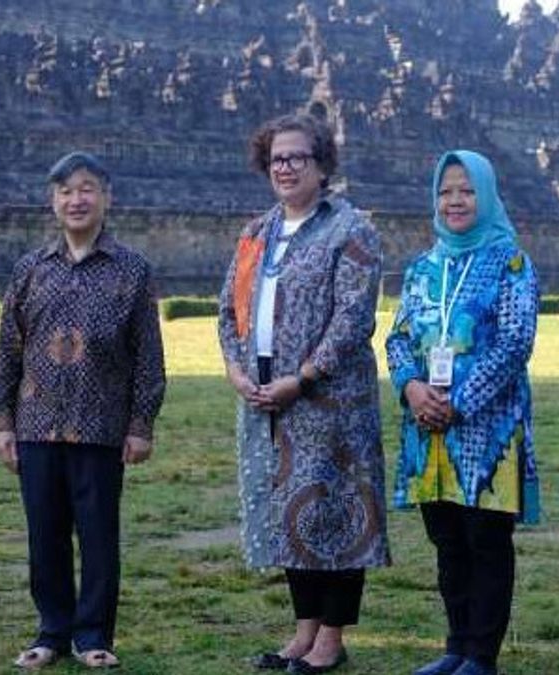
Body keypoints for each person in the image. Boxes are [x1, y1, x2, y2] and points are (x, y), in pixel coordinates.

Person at [217, 113, 390, 675]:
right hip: (265, 391)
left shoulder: (350, 228)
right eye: (276, 159)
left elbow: (352, 317)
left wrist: (305, 376)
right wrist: (236, 370)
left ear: (322, 166)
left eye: (297, 157)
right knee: (287, 512)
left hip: (328, 397)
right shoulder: (256, 233)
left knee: (333, 511)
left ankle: (332, 638)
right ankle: (303, 632)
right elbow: (229, 309)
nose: (286, 167)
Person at [0, 151, 166, 670]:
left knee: (97, 535)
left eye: (87, 189)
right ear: (53, 201)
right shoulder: (30, 270)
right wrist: (3, 422)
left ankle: (92, 636)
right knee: (44, 534)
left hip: (101, 425)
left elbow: (148, 355)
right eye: (66, 191)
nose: (77, 200)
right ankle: (51, 631)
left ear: (106, 198)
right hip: (36, 423)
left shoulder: (131, 270)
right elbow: (8, 350)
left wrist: (141, 424)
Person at [385, 150, 540, 675]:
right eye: (446, 191)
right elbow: (399, 336)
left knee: (485, 540)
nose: (455, 200)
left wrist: (459, 401)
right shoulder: (422, 267)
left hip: (486, 430)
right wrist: (410, 388)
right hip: (426, 429)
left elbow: (516, 342)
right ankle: (455, 645)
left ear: (487, 196)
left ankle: (481, 654)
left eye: (467, 190)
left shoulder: (510, 262)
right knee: (447, 538)